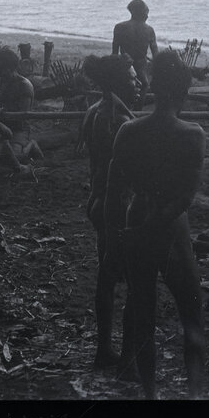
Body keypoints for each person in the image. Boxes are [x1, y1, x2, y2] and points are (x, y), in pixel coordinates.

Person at [104, 50, 206, 399]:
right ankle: (193, 395)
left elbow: (113, 193)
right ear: (183, 93)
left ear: (153, 87)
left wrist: (118, 241)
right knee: (192, 310)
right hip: (171, 228)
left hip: (137, 220)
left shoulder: (128, 130)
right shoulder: (192, 134)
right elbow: (186, 197)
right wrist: (155, 225)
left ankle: (150, 395)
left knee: (143, 311)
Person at [78, 53, 140, 370]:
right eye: (132, 78)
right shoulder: (119, 120)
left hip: (98, 199)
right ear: (118, 83)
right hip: (117, 204)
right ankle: (125, 358)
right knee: (133, 280)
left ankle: (104, 349)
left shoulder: (94, 111)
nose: (139, 82)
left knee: (107, 274)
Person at [0, 48, 43, 163]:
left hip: (18, 129)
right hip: (1, 125)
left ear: (9, 68)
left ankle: (31, 144)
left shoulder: (24, 86)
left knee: (14, 157)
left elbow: (22, 116)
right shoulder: (3, 80)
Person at [112, 0, 159, 105]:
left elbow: (114, 53)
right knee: (145, 85)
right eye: (146, 13)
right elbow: (156, 54)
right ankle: (138, 109)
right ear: (142, 13)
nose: (147, 16)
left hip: (124, 64)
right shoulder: (149, 30)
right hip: (140, 65)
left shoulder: (119, 27)